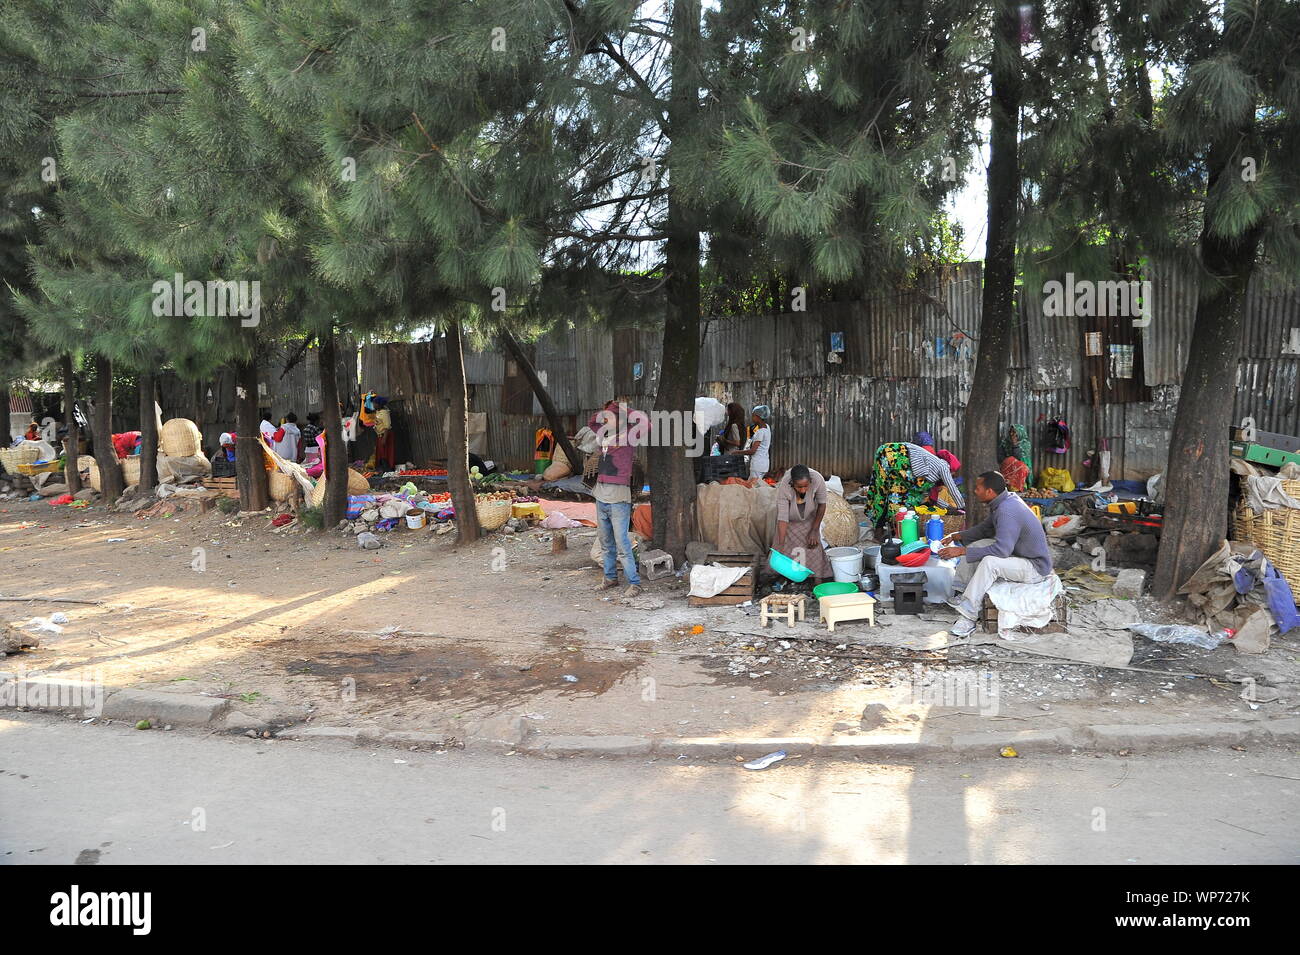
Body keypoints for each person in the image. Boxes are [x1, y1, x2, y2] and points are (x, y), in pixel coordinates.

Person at [938, 471, 1054, 636]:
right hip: (1018, 554)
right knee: (977, 545)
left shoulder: (1007, 510)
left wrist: (961, 550)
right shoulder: (1004, 501)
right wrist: (957, 536)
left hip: (1034, 567)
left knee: (989, 562)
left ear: (989, 492)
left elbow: (1002, 550)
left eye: (978, 488)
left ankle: (968, 616)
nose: (975, 491)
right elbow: (985, 529)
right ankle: (962, 592)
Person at [590, 399, 645, 597]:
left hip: (619, 498)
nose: (604, 420)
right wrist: (607, 411)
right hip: (601, 495)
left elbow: (647, 424)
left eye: (609, 417)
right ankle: (610, 578)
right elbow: (591, 422)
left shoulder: (629, 437)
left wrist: (624, 410)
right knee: (605, 542)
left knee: (622, 544)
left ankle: (635, 583)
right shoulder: (604, 434)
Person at [865, 441, 964, 528]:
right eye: (953, 473)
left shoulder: (930, 476)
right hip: (894, 454)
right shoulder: (943, 466)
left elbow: (933, 499)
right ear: (951, 467)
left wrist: (949, 509)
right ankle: (879, 528)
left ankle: (892, 530)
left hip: (896, 464)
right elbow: (953, 488)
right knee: (882, 492)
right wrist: (961, 507)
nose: (953, 476)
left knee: (897, 497)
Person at [774, 464, 833, 581]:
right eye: (799, 487)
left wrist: (814, 530)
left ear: (810, 481)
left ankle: (817, 577)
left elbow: (822, 505)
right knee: (784, 544)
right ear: (792, 484)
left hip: (811, 515)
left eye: (806, 486)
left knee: (813, 544)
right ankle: (786, 576)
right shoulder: (785, 486)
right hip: (790, 517)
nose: (803, 490)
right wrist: (780, 544)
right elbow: (783, 517)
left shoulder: (818, 480)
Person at [739, 405, 772, 482]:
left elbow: (752, 451)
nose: (752, 418)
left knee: (752, 487)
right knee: (758, 486)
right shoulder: (767, 427)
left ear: (758, 417)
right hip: (764, 464)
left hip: (757, 465)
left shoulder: (760, 432)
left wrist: (737, 452)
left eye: (753, 416)